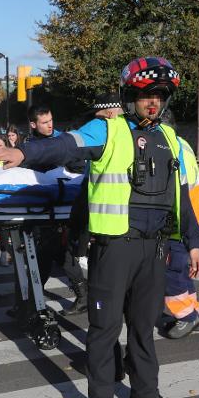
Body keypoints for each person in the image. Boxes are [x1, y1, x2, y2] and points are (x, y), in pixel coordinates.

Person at [0, 57, 199, 398]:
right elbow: (64, 145)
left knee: (143, 331)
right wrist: (24, 151)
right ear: (129, 94)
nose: (154, 102)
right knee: (105, 332)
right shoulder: (107, 129)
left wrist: (193, 243)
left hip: (154, 251)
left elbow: (178, 198)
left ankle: (145, 396)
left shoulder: (169, 138)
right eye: (147, 94)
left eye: (161, 96)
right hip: (114, 248)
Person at [62, 93, 124, 316]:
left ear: (109, 114)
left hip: (106, 224)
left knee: (104, 281)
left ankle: (95, 306)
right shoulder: (129, 137)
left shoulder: (107, 131)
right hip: (107, 221)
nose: (94, 123)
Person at [164, 136, 199, 339]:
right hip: (189, 219)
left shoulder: (169, 147)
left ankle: (186, 316)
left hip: (177, 222)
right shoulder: (184, 144)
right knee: (181, 272)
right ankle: (195, 313)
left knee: (171, 274)